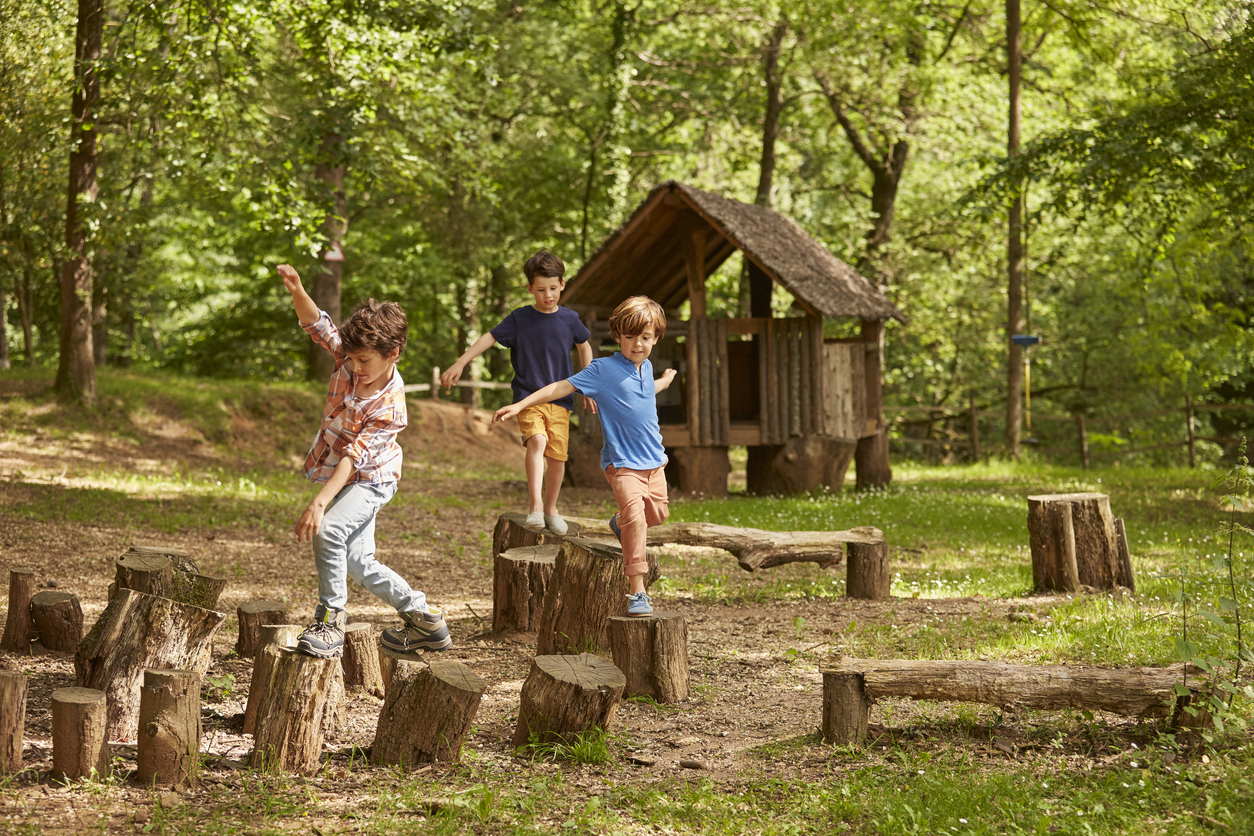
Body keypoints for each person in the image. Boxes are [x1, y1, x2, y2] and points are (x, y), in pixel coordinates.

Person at [278, 263, 451, 659]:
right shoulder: (351, 355)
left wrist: (320, 502)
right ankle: (426, 619)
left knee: (329, 531)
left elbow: (355, 458)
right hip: (350, 474)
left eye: (364, 362)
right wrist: (297, 289)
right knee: (357, 562)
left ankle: (331, 620)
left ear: (392, 354)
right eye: (352, 359)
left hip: (372, 478)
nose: (355, 369)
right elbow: (316, 324)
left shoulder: (389, 403)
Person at [492, 296, 675, 616]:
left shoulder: (645, 367)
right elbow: (559, 388)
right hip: (623, 464)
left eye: (646, 337)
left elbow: (646, 393)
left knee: (656, 516)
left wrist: (666, 380)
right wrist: (521, 405)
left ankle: (619, 524)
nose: (638, 344)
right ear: (617, 335)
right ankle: (638, 591)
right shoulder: (603, 369)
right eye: (631, 336)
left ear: (655, 338)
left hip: (655, 462)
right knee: (636, 518)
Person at [441, 250, 594, 535]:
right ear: (529, 289)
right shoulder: (520, 318)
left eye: (552, 288)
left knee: (558, 457)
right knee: (537, 441)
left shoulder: (571, 319)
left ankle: (552, 510)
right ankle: (535, 506)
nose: (547, 295)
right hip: (527, 399)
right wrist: (461, 361)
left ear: (562, 284)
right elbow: (490, 337)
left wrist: (588, 385)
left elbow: (584, 346)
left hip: (560, 400)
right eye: (540, 290)